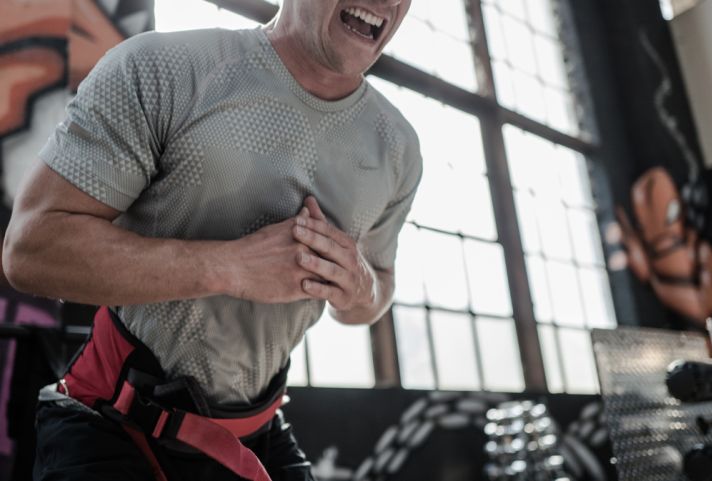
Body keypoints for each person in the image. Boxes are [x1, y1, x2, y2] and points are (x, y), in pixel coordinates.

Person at [2, 0, 420, 479]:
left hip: (256, 432)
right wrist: (230, 267)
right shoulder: (163, 68)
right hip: (115, 419)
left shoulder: (399, 148)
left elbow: (374, 294)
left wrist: (360, 287)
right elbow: (31, 249)